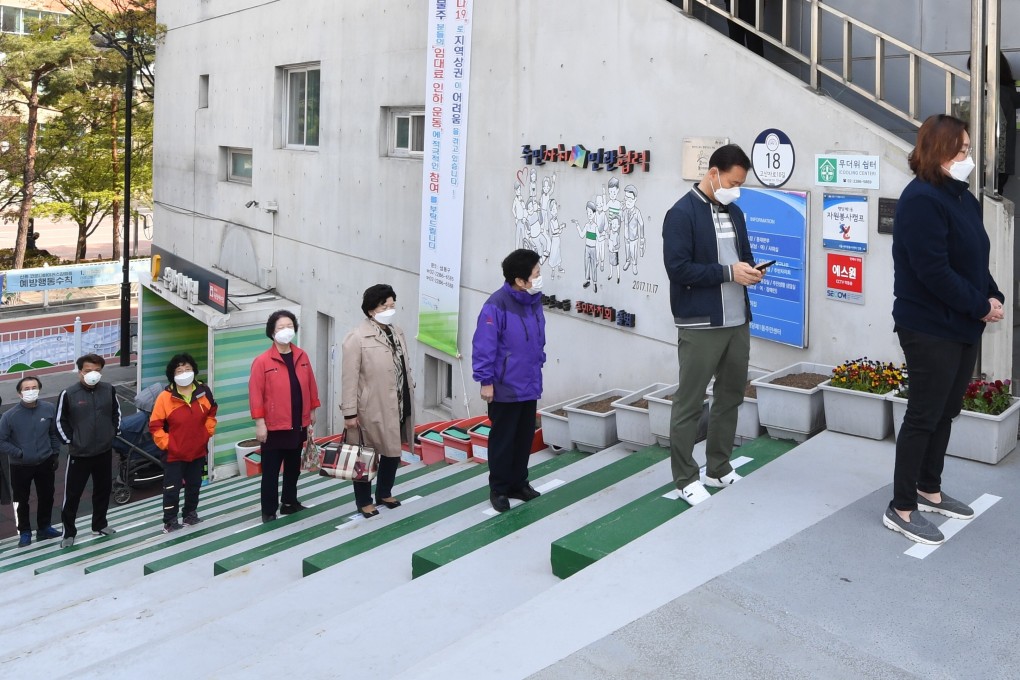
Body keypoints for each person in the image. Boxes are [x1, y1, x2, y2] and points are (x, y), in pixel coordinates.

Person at [885, 114, 1004, 545]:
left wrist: (992, 294)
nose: (968, 157)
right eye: (962, 150)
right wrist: (979, 305)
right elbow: (933, 271)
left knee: (946, 411)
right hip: (928, 326)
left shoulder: (962, 198)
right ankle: (901, 507)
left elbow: (973, 259)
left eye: (968, 150)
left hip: (961, 324)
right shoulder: (920, 199)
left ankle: (928, 488)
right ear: (939, 151)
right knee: (923, 414)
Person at [662, 144, 762, 506]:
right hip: (700, 324)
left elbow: (743, 256)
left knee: (730, 396)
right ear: (713, 174)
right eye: (733, 182)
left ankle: (718, 467)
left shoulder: (735, 212)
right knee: (689, 403)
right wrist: (728, 273)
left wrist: (751, 270)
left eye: (741, 184)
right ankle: (685, 478)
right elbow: (678, 269)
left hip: (737, 320)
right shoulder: (681, 213)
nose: (736, 190)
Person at [472, 249, 547, 513]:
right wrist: (485, 381)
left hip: (529, 382)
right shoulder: (496, 305)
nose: (539, 277)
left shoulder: (533, 300)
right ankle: (500, 488)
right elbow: (484, 345)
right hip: (505, 385)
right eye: (536, 273)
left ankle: (519, 483)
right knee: (503, 440)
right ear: (519, 280)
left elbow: (538, 338)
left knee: (524, 437)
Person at [341, 284, 416, 518]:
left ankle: (384, 492)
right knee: (365, 454)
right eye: (385, 306)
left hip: (397, 402)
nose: (390, 310)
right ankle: (364, 501)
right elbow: (349, 379)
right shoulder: (356, 338)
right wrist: (350, 413)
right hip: (370, 407)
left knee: (393, 450)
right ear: (371, 309)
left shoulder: (397, 332)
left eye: (392, 305)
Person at [249, 310, 320, 523]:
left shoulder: (302, 356)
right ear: (272, 332)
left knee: (292, 467)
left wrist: (312, 410)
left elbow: (310, 384)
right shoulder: (262, 361)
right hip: (273, 426)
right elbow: (255, 394)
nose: (286, 330)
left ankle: (289, 502)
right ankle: (269, 511)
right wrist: (260, 423)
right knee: (271, 471)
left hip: (297, 422)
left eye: (289, 326)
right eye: (280, 327)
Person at [56, 353, 122, 547]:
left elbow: (116, 413)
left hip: (104, 451)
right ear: (80, 372)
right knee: (72, 495)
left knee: (103, 490)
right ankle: (69, 533)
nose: (93, 374)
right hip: (79, 454)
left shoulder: (109, 390)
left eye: (97, 370)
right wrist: (72, 441)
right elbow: (60, 421)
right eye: (88, 370)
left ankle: (100, 525)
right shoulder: (69, 394)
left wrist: (112, 433)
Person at [149, 354, 218, 534]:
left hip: (198, 450)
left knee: (194, 485)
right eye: (179, 370)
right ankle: (170, 521)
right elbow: (155, 426)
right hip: (174, 454)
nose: (184, 373)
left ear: (194, 371)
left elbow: (212, 413)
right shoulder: (164, 397)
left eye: (187, 369)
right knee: (172, 488)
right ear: (172, 375)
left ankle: (190, 514)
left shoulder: (204, 391)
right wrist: (169, 444)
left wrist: (206, 433)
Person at [0, 376, 62, 547]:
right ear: (19, 393)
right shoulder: (9, 416)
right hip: (20, 466)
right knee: (21, 500)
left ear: (39, 389)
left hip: (45, 462)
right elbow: (1, 440)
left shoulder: (49, 409)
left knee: (47, 496)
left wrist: (55, 453)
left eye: (34, 387)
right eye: (26, 389)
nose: (31, 391)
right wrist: (19, 453)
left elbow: (53, 433)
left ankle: (44, 527)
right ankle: (24, 532)